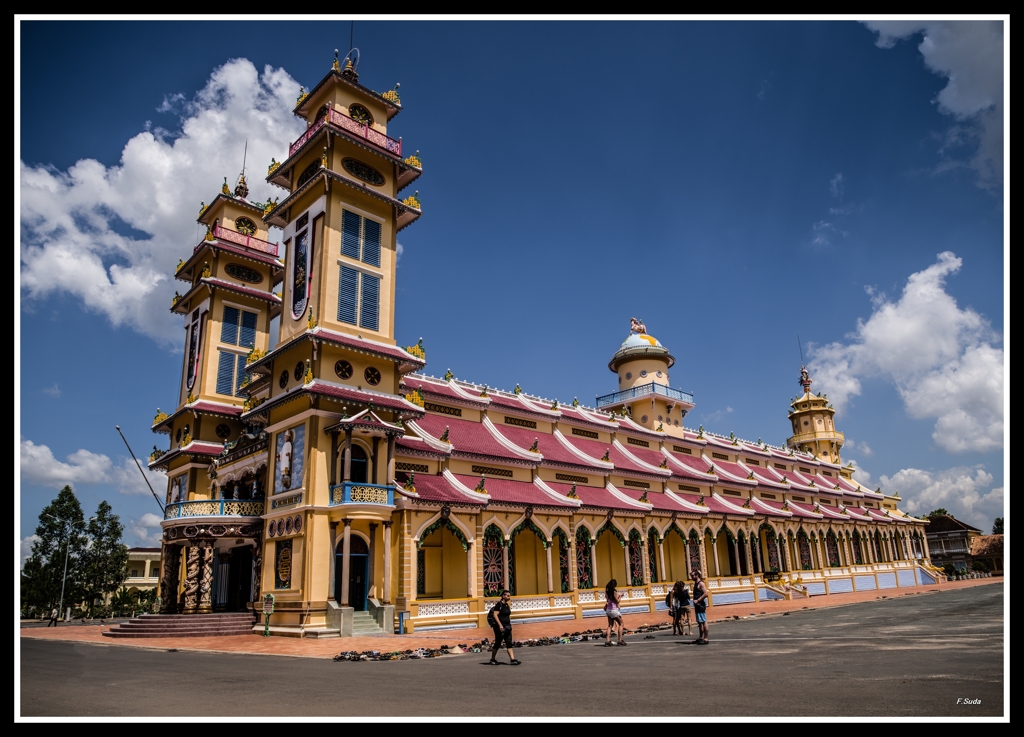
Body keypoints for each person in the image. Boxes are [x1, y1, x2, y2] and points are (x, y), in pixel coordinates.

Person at [488, 591, 520, 665]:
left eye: (509, 596)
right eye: (507, 596)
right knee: (498, 642)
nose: (509, 597)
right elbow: (495, 615)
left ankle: (512, 659)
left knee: (509, 642)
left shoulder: (506, 605)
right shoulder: (499, 604)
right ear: (503, 596)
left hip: (507, 626)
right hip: (500, 627)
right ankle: (492, 659)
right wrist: (500, 625)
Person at [604, 579, 626, 646]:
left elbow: (608, 600)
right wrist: (620, 596)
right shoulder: (614, 592)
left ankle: (607, 640)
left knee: (610, 625)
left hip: (608, 610)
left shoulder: (607, 592)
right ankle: (620, 640)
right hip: (614, 610)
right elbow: (617, 601)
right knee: (621, 624)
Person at [691, 569, 709, 644]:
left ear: (697, 575)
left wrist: (698, 600)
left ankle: (706, 638)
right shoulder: (695, 583)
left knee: (704, 621)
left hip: (700, 605)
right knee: (700, 622)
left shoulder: (701, 584)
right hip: (697, 606)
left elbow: (706, 594)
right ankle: (701, 637)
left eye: (693, 575)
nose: (691, 577)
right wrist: (696, 571)